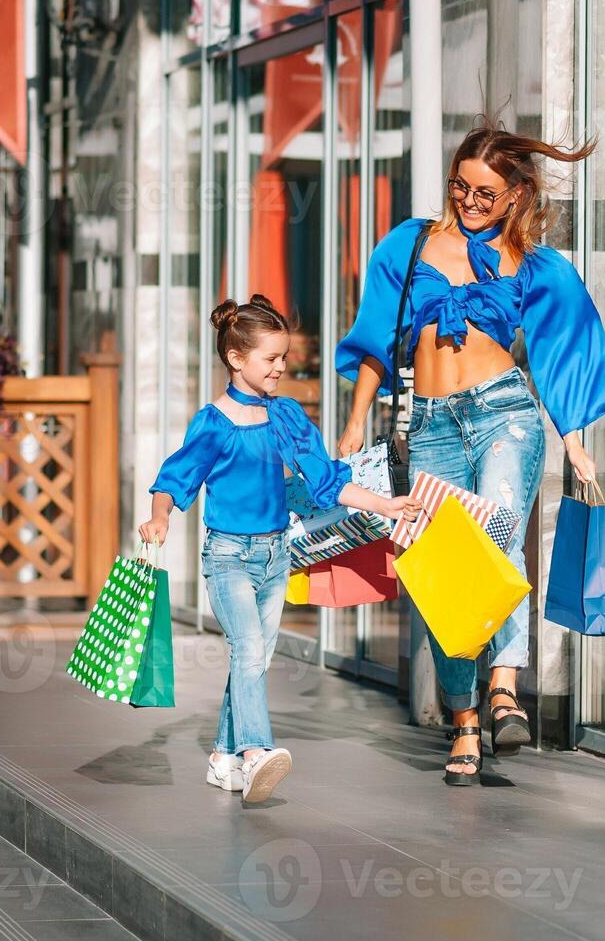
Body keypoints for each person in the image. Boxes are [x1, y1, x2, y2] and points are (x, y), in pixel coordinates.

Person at [335, 125, 605, 786]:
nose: (470, 200)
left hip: (505, 414)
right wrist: (356, 423)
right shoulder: (408, 244)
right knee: (447, 574)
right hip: (431, 426)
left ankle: (504, 687)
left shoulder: (534, 262)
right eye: (461, 186)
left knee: (495, 543)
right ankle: (464, 722)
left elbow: (564, 349)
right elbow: (377, 337)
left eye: (486, 193)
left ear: (516, 194)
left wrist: (575, 443)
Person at [139, 295, 421, 803]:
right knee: (248, 651)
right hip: (227, 559)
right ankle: (255, 755)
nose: (281, 367)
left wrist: (386, 504)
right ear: (236, 359)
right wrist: (159, 517)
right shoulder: (212, 424)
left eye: (283, 357)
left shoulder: (286, 418)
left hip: (275, 557)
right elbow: (173, 478)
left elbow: (329, 481)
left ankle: (222, 757)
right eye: (271, 359)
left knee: (255, 659)